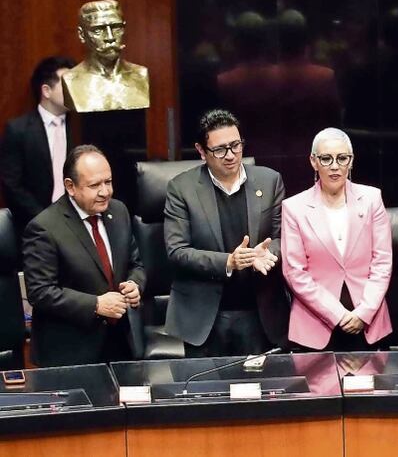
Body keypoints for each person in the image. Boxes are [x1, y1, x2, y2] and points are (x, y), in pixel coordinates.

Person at [163, 109, 289, 356]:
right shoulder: (181, 189)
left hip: (260, 313)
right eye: (220, 149)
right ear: (201, 151)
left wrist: (268, 253)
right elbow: (177, 251)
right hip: (205, 318)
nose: (230, 155)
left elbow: (283, 237)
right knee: (207, 394)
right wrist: (228, 262)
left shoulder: (269, 181)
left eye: (236, 145)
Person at [22, 145, 144, 365]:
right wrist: (95, 304)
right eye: (95, 185)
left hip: (120, 344)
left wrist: (135, 284)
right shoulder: (44, 227)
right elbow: (40, 292)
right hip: (70, 353)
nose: (105, 191)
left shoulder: (118, 212)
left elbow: (135, 263)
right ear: (70, 186)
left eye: (108, 182)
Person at [282, 128, 393, 350]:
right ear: (314, 162)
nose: (335, 166)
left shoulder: (371, 199)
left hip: (368, 321)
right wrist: (338, 314)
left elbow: (382, 262)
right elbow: (295, 272)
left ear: (351, 162)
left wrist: (364, 312)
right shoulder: (294, 207)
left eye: (342, 158)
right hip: (315, 325)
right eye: (326, 159)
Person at [0, 56, 75, 234]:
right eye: (67, 84)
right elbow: (11, 184)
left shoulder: (81, 128)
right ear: (46, 90)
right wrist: (45, 220)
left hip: (77, 224)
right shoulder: (18, 130)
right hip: (35, 225)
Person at [61, 0, 150, 112]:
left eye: (116, 28)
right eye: (98, 30)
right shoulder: (71, 80)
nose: (110, 37)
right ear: (82, 34)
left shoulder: (141, 75)